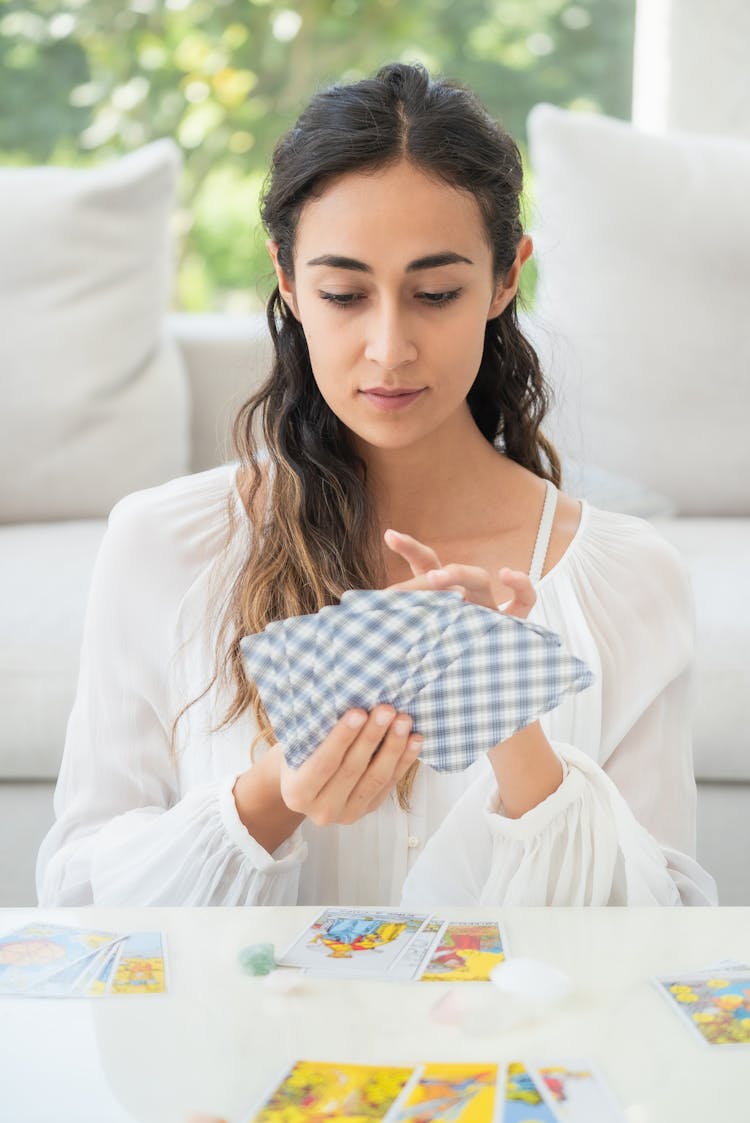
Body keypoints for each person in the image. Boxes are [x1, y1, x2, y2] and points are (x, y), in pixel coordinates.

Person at [36, 62, 716, 908]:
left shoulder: (629, 578)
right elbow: (76, 898)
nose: (389, 347)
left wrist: (513, 727)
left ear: (507, 279)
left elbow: (670, 928)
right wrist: (271, 797)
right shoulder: (162, 544)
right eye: (344, 293)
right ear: (287, 279)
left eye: (435, 293)